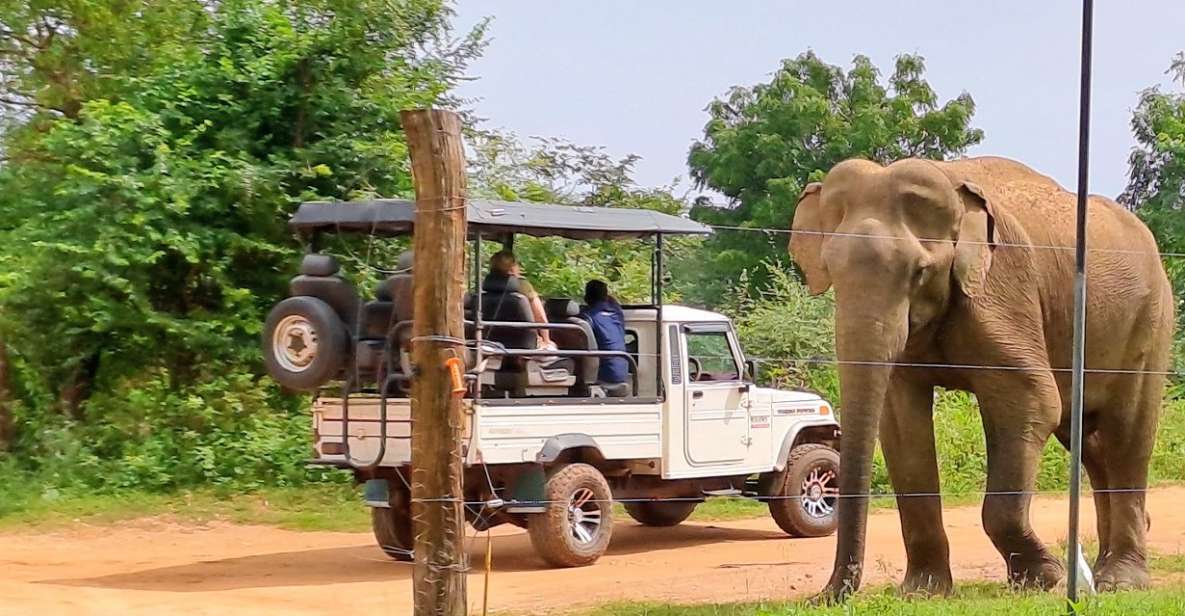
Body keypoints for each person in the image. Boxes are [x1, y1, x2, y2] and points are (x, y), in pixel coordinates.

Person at [486, 250, 554, 350]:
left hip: (490, 342)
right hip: (523, 342)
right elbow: (540, 317)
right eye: (516, 264)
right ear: (512, 268)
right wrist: (546, 340)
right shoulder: (523, 286)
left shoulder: (486, 290)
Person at [579, 279, 629, 395]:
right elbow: (613, 301)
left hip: (603, 376)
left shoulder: (587, 317)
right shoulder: (617, 313)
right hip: (622, 374)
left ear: (587, 298)